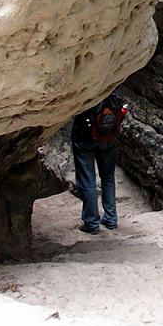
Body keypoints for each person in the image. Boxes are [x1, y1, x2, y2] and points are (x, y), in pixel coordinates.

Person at [71, 92, 129, 235]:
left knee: (87, 179)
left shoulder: (88, 88)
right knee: (108, 178)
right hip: (107, 136)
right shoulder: (110, 87)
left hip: (85, 137)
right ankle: (110, 219)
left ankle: (91, 223)